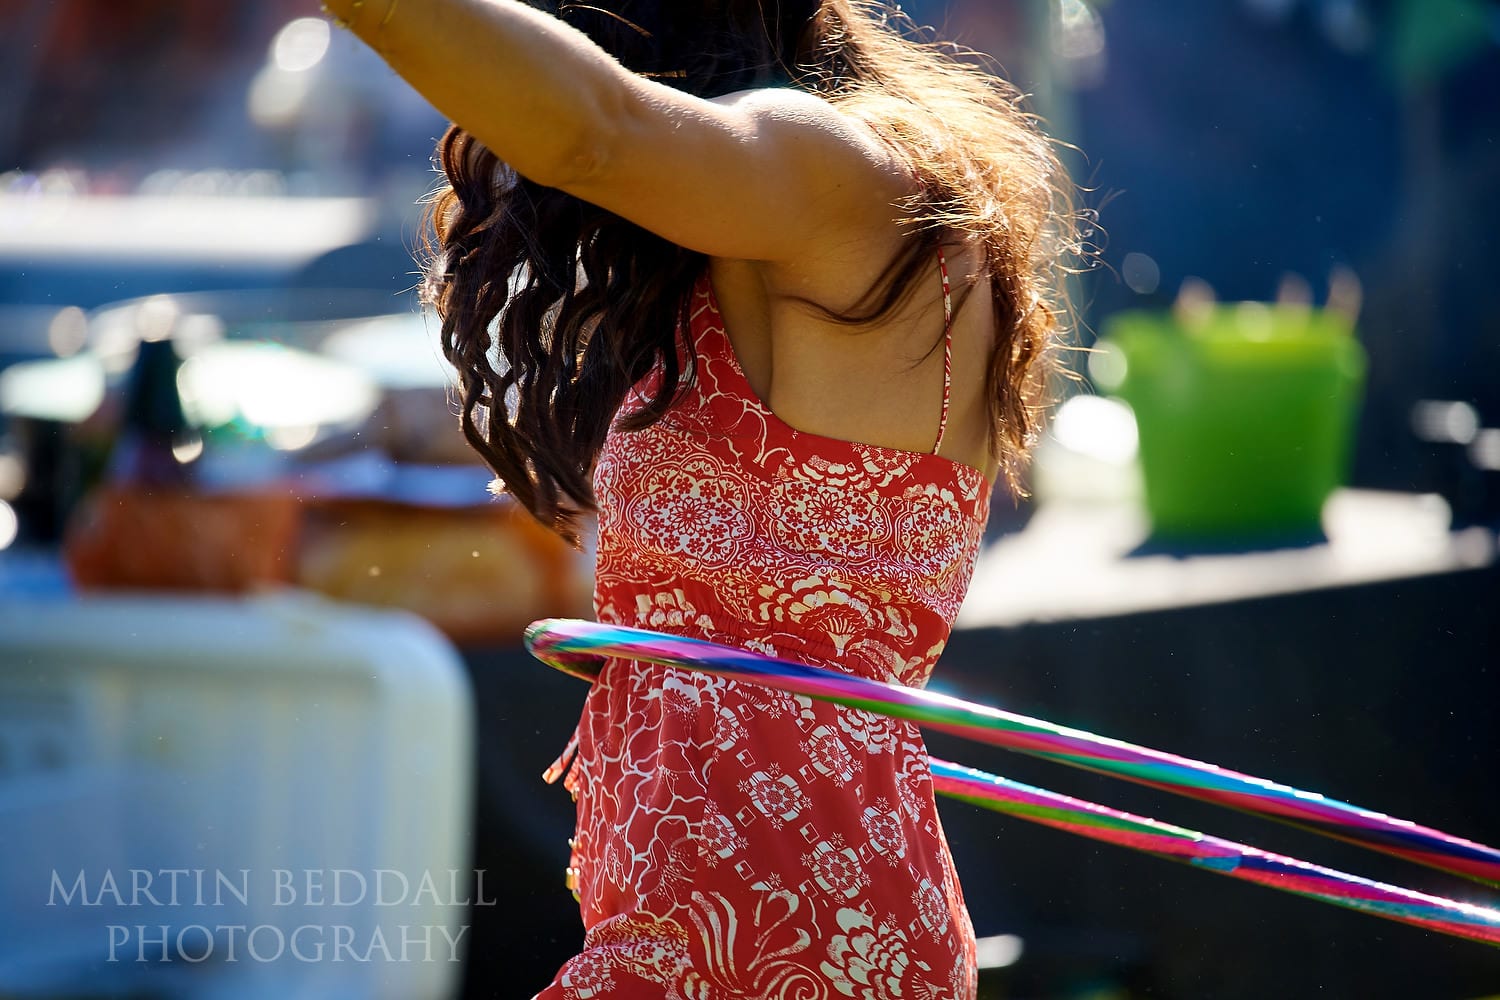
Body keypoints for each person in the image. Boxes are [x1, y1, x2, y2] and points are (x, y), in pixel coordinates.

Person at [323, 1, 1079, 994]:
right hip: (738, 919)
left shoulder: (841, 174)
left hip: (788, 924)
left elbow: (596, 132)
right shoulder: (799, 211)